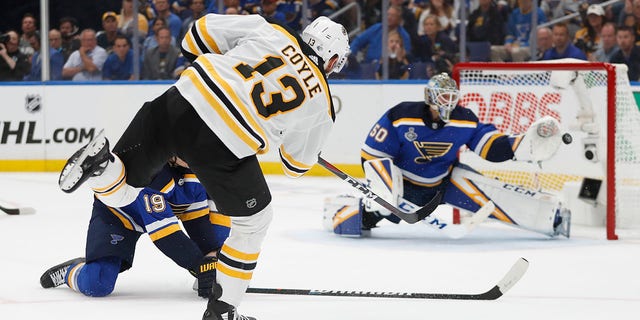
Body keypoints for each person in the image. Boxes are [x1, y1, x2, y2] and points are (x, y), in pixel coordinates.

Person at [56, 14, 349, 320]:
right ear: (332, 60)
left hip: (182, 98)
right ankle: (223, 311)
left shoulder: (270, 31)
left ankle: (101, 168)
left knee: (124, 187)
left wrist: (228, 71)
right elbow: (295, 165)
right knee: (255, 222)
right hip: (222, 144)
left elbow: (196, 35)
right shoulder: (321, 104)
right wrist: (292, 136)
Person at [323, 73, 571, 239]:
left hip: (442, 185)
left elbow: (489, 146)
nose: (449, 102)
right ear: (430, 97)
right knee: (376, 211)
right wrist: (385, 192)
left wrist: (522, 146)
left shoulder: (464, 120)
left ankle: (551, 219)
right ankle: (344, 211)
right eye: (443, 97)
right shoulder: (401, 115)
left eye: (452, 97)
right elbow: (372, 155)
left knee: (491, 195)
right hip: (402, 186)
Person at [40, 158, 230, 298]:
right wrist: (198, 265)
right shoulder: (153, 174)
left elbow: (197, 223)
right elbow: (167, 236)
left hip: (156, 214)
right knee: (97, 283)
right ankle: (72, 271)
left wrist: (211, 260)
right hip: (118, 217)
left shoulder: (194, 172)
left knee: (218, 233)